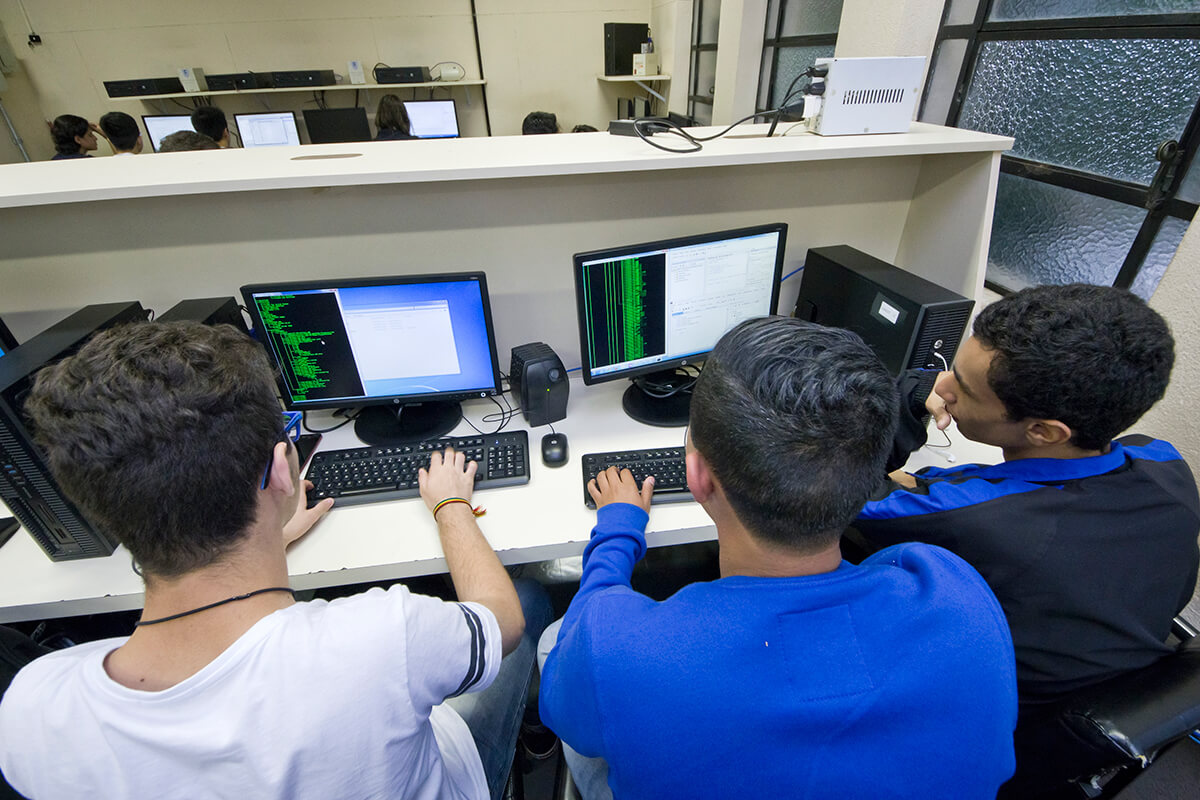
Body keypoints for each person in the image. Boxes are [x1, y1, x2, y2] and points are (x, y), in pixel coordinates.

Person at [0, 321, 550, 800]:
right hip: (451, 772)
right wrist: (451, 504)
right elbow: (500, 622)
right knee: (529, 594)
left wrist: (269, 543)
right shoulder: (381, 636)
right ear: (283, 470)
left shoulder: (33, 708)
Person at [539, 317, 1018, 800]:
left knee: (557, 640)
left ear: (697, 476)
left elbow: (565, 695)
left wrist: (617, 530)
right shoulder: (958, 597)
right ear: (873, 472)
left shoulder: (616, 652)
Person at [853, 284, 1200, 794]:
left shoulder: (976, 522)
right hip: (1085, 688)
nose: (943, 384)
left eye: (964, 389)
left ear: (1044, 431)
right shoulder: (1166, 465)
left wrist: (908, 402)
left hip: (971, 728)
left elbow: (843, 492)